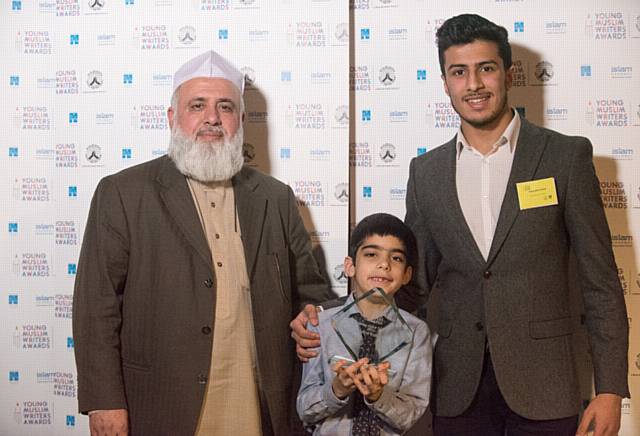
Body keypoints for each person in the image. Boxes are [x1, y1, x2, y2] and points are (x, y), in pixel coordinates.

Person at [291, 14, 629, 436]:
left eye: (485, 68)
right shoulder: (426, 172)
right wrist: (327, 322)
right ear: (445, 81)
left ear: (507, 74)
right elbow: (409, 284)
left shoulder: (565, 157)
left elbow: (601, 283)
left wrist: (610, 389)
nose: (473, 84)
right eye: (459, 72)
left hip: (545, 387)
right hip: (455, 387)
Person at [72, 50, 334, 436]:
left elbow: (310, 293)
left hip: (258, 405)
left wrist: (308, 319)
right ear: (172, 117)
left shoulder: (275, 198)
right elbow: (96, 307)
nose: (212, 118)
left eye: (225, 107)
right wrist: (103, 400)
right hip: (161, 405)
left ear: (241, 121)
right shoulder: (124, 193)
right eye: (197, 105)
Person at [297, 213, 432, 435]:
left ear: (407, 274)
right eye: (371, 254)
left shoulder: (417, 332)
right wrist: (337, 390)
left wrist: (378, 395)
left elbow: (410, 414)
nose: (384, 264)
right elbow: (305, 409)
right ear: (350, 266)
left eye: (396, 258)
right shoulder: (320, 325)